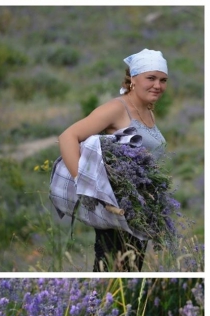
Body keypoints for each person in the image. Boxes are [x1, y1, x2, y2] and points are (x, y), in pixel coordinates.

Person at [58, 48, 168, 271]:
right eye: (151, 78)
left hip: (139, 211)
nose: (158, 85)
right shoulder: (117, 108)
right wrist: (87, 185)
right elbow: (68, 136)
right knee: (111, 270)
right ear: (133, 79)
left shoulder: (148, 110)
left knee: (132, 270)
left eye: (163, 80)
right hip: (115, 210)